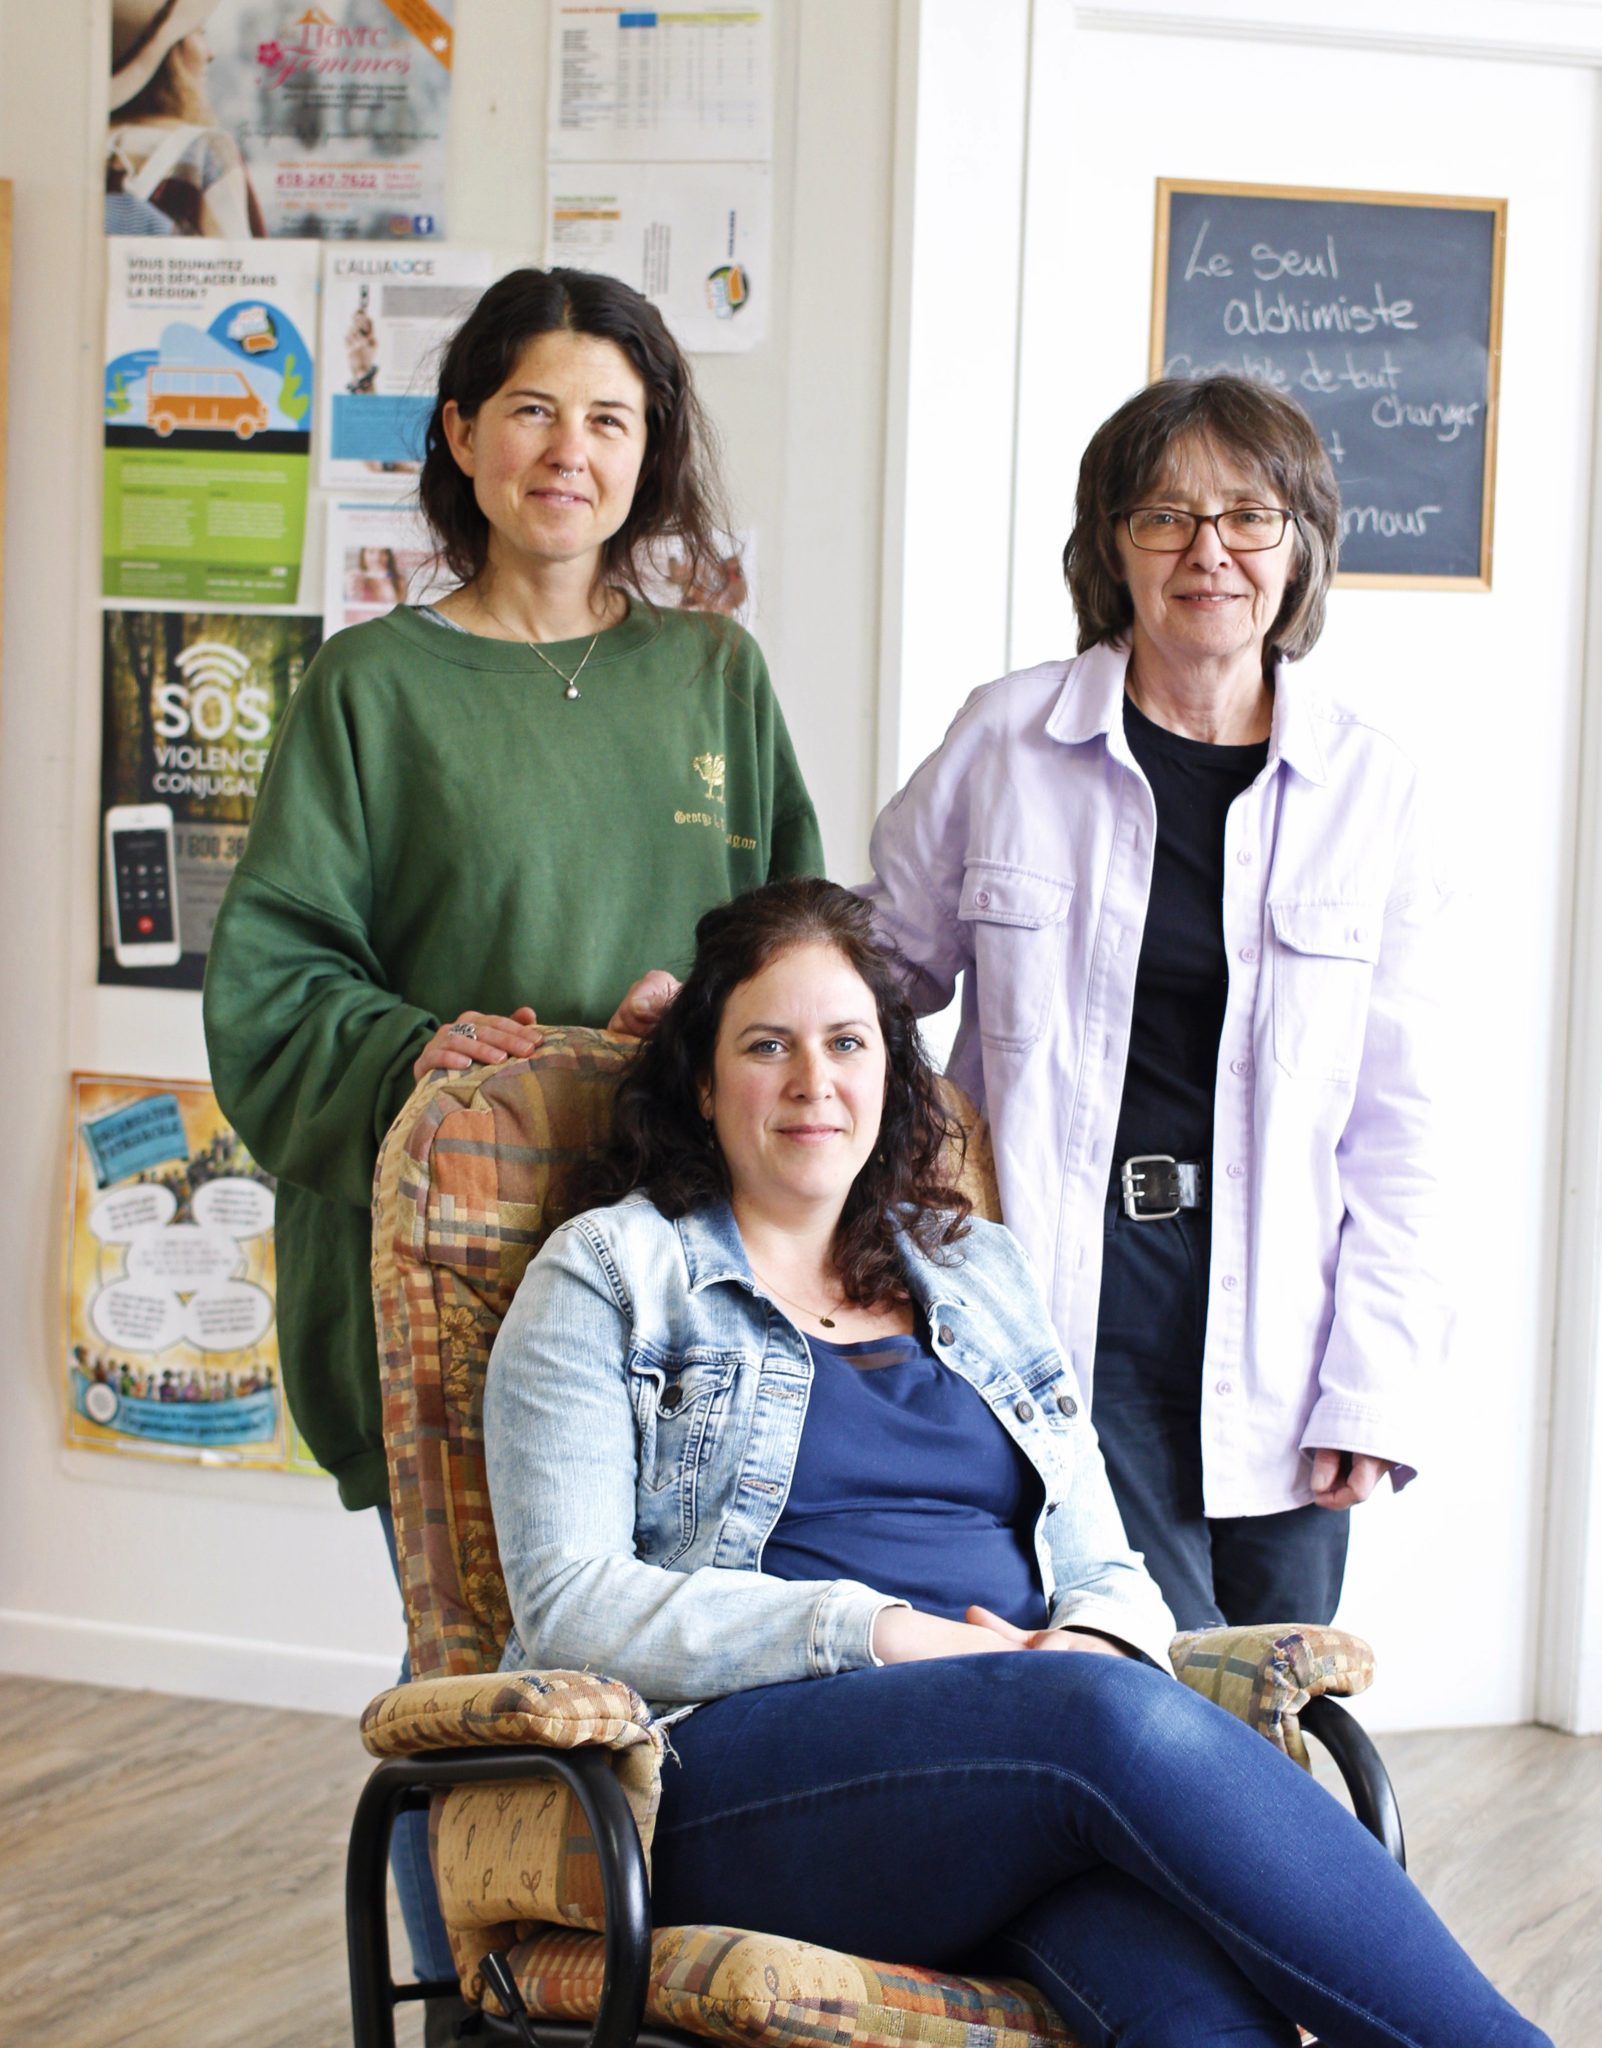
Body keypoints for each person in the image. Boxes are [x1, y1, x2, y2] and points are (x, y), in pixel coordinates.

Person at [484, 879, 1541, 2048]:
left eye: (846, 1042)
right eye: (766, 1044)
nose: (812, 1079)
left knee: (1198, 2012)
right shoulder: (612, 1273)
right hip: (742, 1780)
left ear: (889, 1071)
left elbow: (1108, 1567)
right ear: (701, 1078)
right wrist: (894, 1633)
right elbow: (572, 1604)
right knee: (1099, 1714)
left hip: (1024, 1777)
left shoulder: (977, 1269)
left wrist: (1088, 1641)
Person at [202, 266, 822, 2027]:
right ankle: (489, 2011)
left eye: (610, 418)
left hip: (681, 1259)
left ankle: (646, 1996)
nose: (571, 450)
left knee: (691, 1651)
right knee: (481, 1676)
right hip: (451, 1269)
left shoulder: (713, 671)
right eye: (534, 410)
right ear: (461, 434)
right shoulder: (370, 685)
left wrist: (704, 1004)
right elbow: (274, 979)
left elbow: (797, 946)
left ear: (651, 451)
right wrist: (423, 1045)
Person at [860, 375, 1447, 1633]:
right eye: (1165, 516)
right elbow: (878, 961)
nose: (1208, 551)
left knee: (1278, 1677)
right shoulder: (1009, 739)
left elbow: (1404, 1127)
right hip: (1067, 1281)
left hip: (1285, 1315)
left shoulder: (1369, 787)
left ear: (1300, 547)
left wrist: (1377, 1381)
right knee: (1153, 1665)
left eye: (1249, 515)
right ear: (1110, 546)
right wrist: (715, 995)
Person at [106, 1, 266, 238]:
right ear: (170, 54)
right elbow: (238, 257)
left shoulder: (89, 146)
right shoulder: (206, 151)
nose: (210, 54)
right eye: (199, 32)